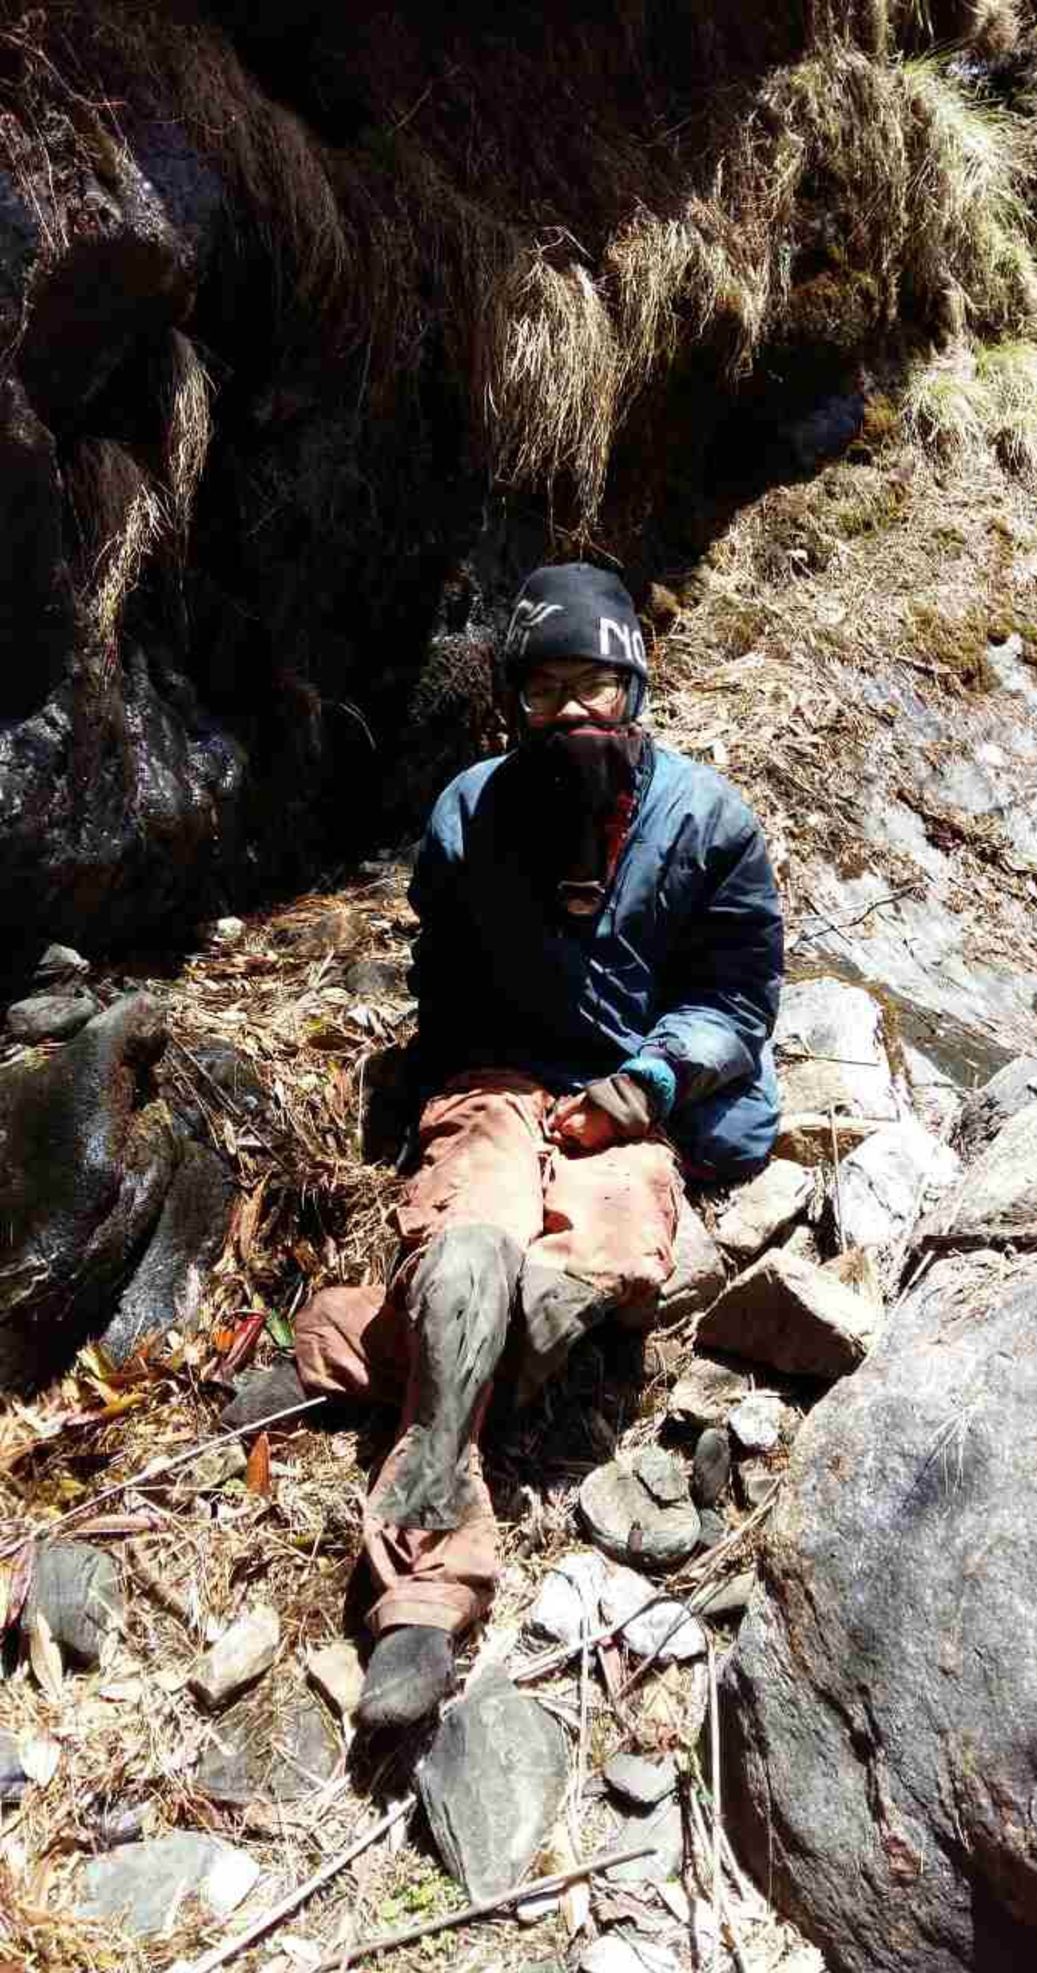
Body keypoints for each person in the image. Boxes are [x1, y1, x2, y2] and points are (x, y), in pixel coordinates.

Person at [291, 562, 783, 1731]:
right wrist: (468, 1095)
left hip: (631, 1105)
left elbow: (736, 1000)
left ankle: (365, 1338)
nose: (570, 712)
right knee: (469, 1251)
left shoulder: (711, 822)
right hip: (497, 1087)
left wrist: (643, 1082)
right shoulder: (468, 809)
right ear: (512, 700)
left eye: (595, 684)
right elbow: (441, 975)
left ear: (636, 687)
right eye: (544, 687)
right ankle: (424, 1589)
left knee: (581, 1285)